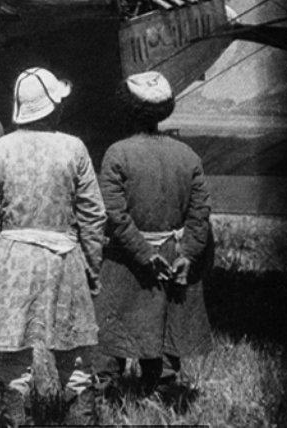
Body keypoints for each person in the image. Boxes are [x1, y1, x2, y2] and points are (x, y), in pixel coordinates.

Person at [0, 67, 106, 427]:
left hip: (12, 262)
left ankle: (15, 418)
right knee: (74, 353)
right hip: (64, 260)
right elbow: (93, 216)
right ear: (52, 107)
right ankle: (79, 418)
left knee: (12, 353)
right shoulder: (73, 148)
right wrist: (92, 268)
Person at [93, 71, 213, 394]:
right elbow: (200, 213)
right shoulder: (188, 156)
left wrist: (144, 254)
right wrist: (187, 254)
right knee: (164, 323)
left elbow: (115, 215)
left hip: (125, 260)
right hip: (172, 257)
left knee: (113, 324)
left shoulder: (117, 153)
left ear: (128, 109)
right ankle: (161, 389)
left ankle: (107, 391)